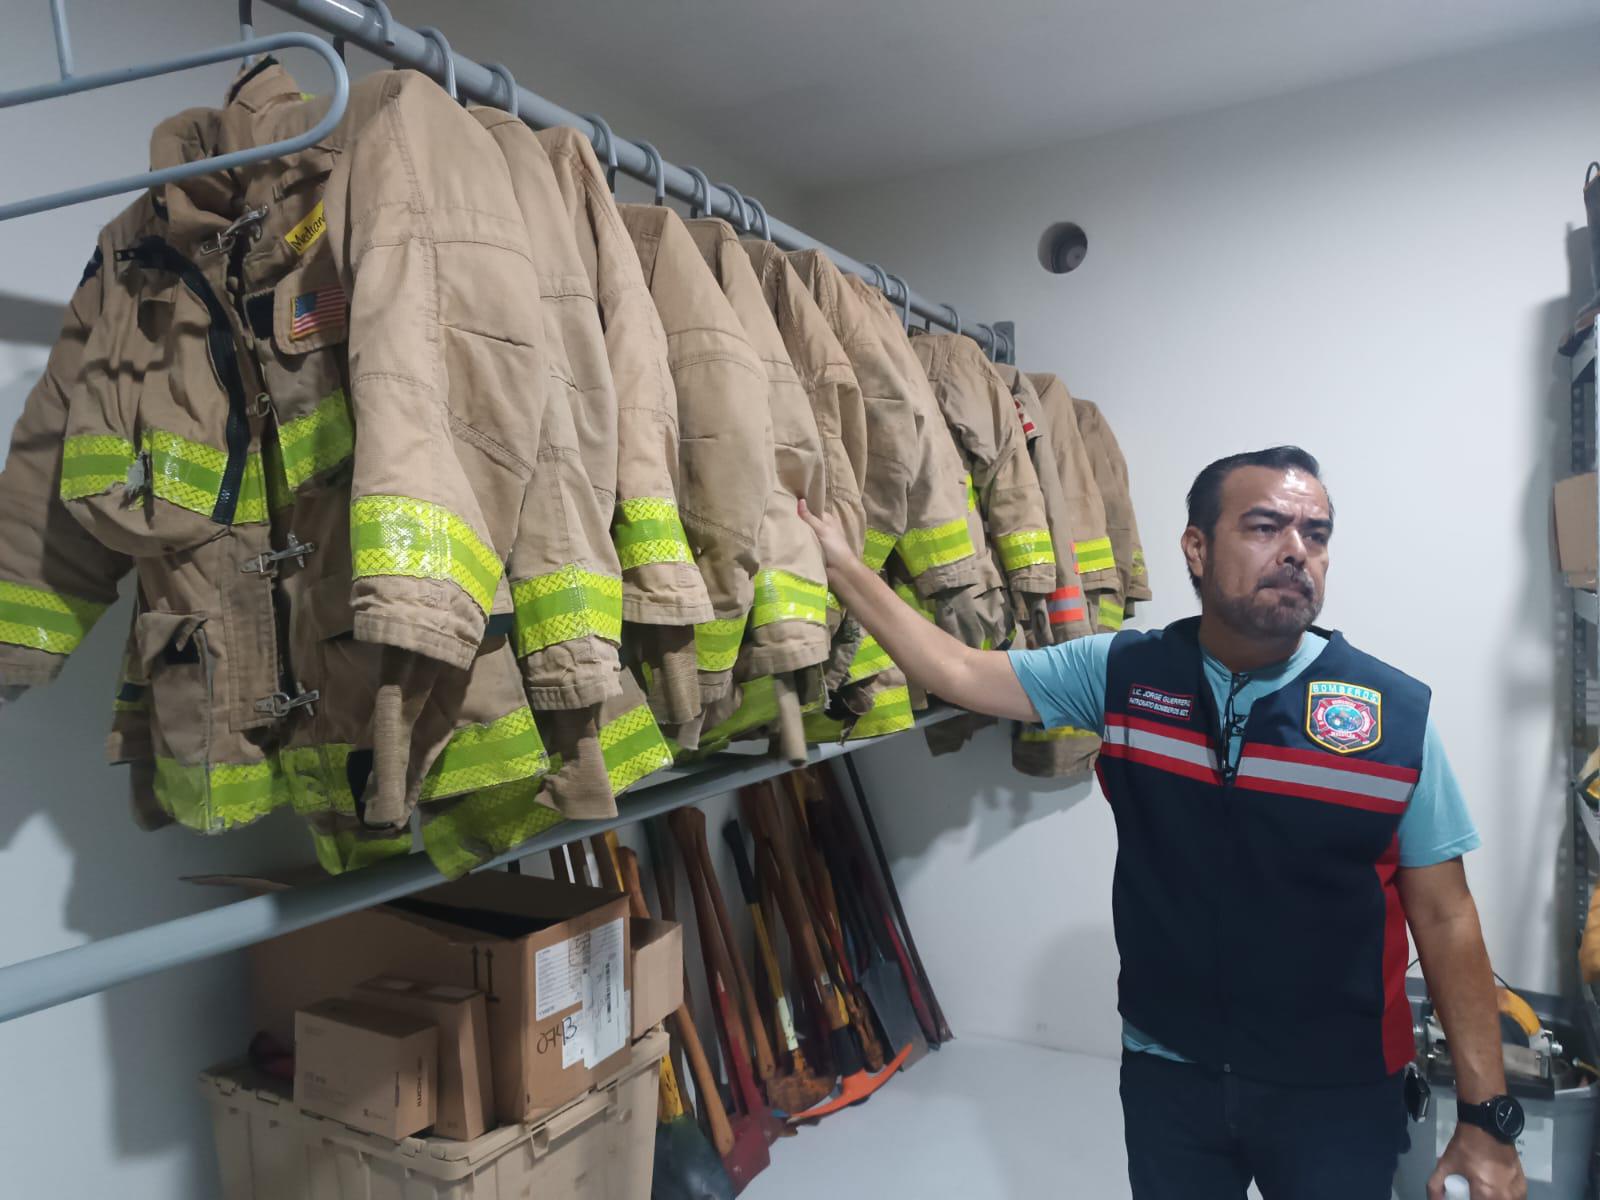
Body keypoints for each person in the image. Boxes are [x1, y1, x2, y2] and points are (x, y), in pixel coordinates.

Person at [799, 446, 1525, 1200]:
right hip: (1169, 1073)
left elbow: (1445, 919)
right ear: (1197, 548)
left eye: (1316, 534)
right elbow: (955, 672)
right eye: (1266, 526)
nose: (1295, 552)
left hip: (1337, 1090)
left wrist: (1486, 1116)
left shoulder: (1393, 717)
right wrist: (842, 563)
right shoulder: (1124, 674)